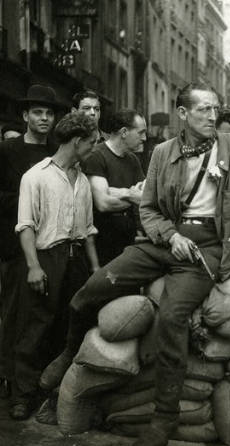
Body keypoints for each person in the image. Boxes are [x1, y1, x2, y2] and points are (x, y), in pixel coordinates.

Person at [40, 82, 230, 446]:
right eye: (203, 110)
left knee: (171, 319)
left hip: (206, 247)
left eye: (216, 109)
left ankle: (164, 418)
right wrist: (169, 235)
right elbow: (147, 208)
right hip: (163, 241)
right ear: (182, 114)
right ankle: (69, 352)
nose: (213, 117)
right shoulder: (162, 152)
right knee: (94, 288)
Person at [9, 111, 99, 420]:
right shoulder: (35, 176)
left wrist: (96, 270)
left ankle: (53, 396)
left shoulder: (83, 180)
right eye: (91, 143)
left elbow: (87, 232)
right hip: (46, 258)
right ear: (77, 141)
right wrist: (34, 267)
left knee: (68, 328)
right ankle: (22, 396)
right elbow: (25, 227)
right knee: (36, 326)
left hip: (76, 261)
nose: (93, 149)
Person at [0, 85, 59, 400]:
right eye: (37, 112)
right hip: (15, 247)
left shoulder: (55, 153)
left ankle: (33, 382)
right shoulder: (7, 151)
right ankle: (12, 383)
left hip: (49, 244)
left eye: (49, 113)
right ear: (24, 115)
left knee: (42, 316)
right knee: (15, 315)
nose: (44, 118)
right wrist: (27, 200)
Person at [82, 109, 146, 265]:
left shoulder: (133, 160)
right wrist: (132, 195)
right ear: (124, 132)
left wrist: (118, 193)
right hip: (103, 242)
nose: (144, 138)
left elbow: (147, 196)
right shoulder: (97, 156)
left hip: (128, 240)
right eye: (141, 133)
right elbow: (103, 204)